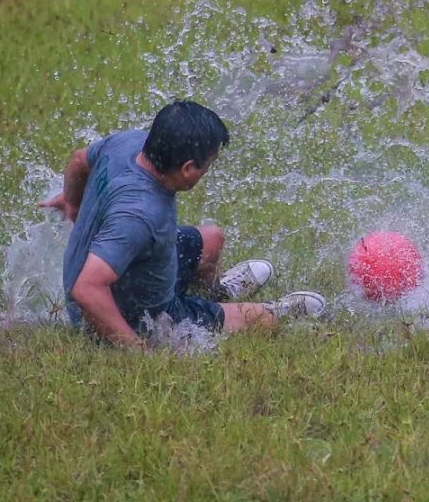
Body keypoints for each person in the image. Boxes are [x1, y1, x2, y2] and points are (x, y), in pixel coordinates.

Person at [41, 100, 326, 349]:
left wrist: (72, 202)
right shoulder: (140, 216)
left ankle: (216, 293)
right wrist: (137, 349)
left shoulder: (129, 143)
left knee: (212, 239)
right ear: (188, 168)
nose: (208, 171)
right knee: (263, 320)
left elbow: (80, 159)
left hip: (135, 267)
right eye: (208, 164)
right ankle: (263, 312)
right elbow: (87, 289)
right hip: (134, 312)